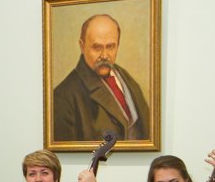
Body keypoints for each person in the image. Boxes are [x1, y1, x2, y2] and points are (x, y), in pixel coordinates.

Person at [53, 14, 149, 142]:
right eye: (97, 47)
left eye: (110, 46)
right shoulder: (63, 97)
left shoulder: (126, 78)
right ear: (82, 46)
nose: (104, 55)